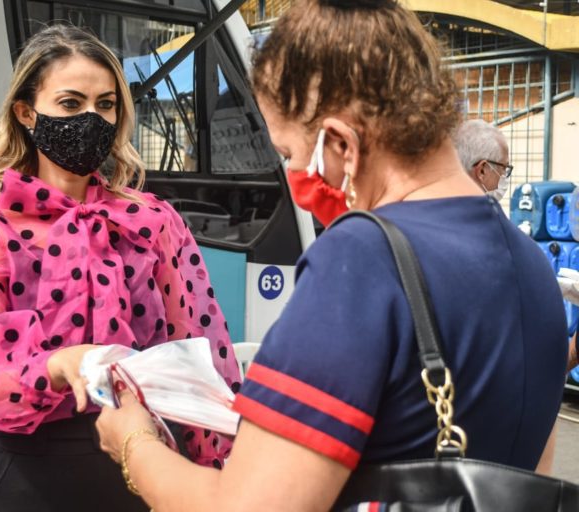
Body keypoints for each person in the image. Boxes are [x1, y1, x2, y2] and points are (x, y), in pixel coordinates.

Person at [92, 1, 568, 510]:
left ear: (341, 143)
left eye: (290, 154)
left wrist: (133, 443)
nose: (295, 176)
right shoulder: (533, 264)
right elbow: (533, 467)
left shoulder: (362, 260)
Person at [0, 25, 240, 512]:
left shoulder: (151, 223)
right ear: (26, 112)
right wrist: (56, 366)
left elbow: (204, 350)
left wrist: (221, 469)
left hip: (145, 465)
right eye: (70, 103)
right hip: (26, 475)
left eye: (105, 105)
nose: (91, 118)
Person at [453, 119, 512, 201]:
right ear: (482, 171)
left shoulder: (439, 199)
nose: (505, 175)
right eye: (504, 168)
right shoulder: (486, 212)